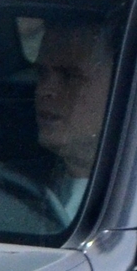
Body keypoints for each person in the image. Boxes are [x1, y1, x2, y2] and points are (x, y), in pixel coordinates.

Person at [31, 17, 116, 225]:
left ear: (122, 84)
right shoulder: (8, 184)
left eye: (70, 76)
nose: (44, 91)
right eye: (42, 74)